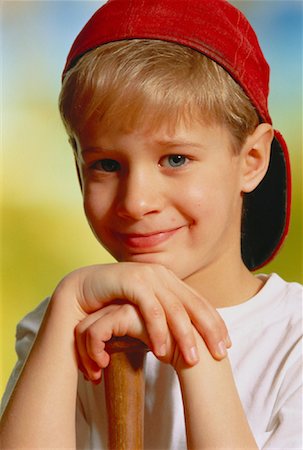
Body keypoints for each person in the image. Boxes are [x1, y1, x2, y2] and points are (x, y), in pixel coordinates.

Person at [1, 0, 302, 448]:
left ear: (251, 161)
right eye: (106, 164)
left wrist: (195, 351)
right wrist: (69, 299)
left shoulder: (292, 339)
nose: (136, 202)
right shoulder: (61, 327)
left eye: (175, 159)